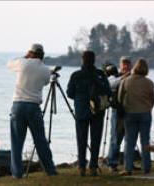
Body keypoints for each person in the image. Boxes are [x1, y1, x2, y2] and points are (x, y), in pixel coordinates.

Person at [7, 44, 57, 178]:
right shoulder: (46, 69)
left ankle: (17, 174)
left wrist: (25, 56)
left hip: (18, 105)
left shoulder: (22, 63)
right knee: (40, 140)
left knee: (17, 142)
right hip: (34, 106)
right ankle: (50, 170)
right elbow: (46, 82)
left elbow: (9, 64)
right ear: (42, 55)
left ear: (31, 53)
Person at [66, 50, 111, 176]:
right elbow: (108, 91)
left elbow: (69, 93)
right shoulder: (100, 74)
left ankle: (81, 167)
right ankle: (93, 167)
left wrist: (79, 97)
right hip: (97, 110)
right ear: (94, 60)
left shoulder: (76, 75)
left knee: (81, 139)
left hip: (81, 110)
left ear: (82, 59)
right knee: (95, 139)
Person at [118, 58, 154, 175]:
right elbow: (152, 99)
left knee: (129, 141)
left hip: (130, 113)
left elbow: (119, 98)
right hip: (145, 113)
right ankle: (146, 167)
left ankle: (128, 168)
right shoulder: (149, 83)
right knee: (145, 140)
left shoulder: (126, 81)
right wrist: (147, 107)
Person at [106, 56, 134, 172]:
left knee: (130, 138)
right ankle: (112, 163)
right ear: (120, 65)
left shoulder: (134, 78)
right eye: (123, 64)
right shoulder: (114, 77)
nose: (125, 66)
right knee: (116, 138)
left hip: (131, 111)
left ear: (131, 66)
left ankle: (129, 163)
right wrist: (124, 77)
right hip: (118, 112)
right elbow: (110, 84)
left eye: (127, 64)